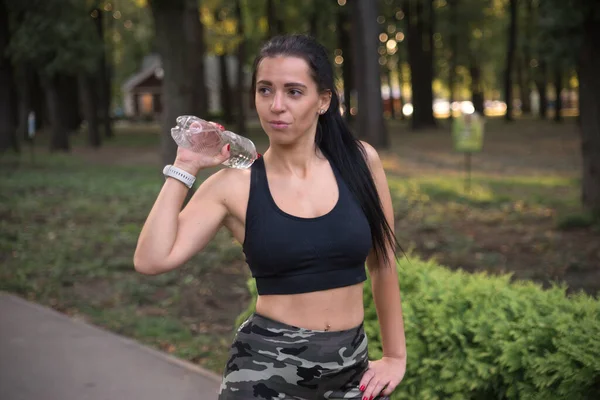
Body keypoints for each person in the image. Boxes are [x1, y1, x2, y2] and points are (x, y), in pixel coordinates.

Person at [134, 34, 407, 400]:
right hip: (264, 373)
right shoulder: (233, 186)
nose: (276, 105)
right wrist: (184, 167)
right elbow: (151, 259)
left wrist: (394, 355)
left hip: (351, 373)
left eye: (294, 92)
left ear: (322, 100)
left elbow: (383, 262)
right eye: (265, 90)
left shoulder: (360, 163)